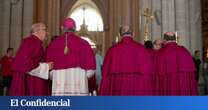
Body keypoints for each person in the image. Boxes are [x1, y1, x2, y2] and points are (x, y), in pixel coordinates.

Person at [46, 18, 96, 96]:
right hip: (79, 86)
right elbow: (91, 70)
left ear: (62, 28)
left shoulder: (54, 44)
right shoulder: (84, 43)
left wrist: (55, 77)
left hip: (60, 85)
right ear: (75, 29)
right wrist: (83, 77)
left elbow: (49, 69)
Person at [99, 25, 153, 95]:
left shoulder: (112, 50)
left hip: (118, 88)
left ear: (119, 35)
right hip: (137, 89)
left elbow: (105, 75)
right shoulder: (142, 49)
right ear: (133, 34)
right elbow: (149, 74)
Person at [10, 23, 53, 96]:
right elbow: (27, 64)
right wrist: (47, 66)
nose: (47, 33)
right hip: (31, 82)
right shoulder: (32, 42)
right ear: (37, 31)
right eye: (45, 30)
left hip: (32, 80)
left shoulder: (34, 42)